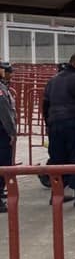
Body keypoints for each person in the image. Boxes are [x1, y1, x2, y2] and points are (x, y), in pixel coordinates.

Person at [42, 53, 75, 206]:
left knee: (58, 159)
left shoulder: (53, 80)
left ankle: (56, 194)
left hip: (55, 124)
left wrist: (48, 124)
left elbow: (46, 105)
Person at [0, 61, 17, 213]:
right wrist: (11, 132)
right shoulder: (1, 90)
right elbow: (4, 112)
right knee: (3, 163)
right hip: (2, 132)